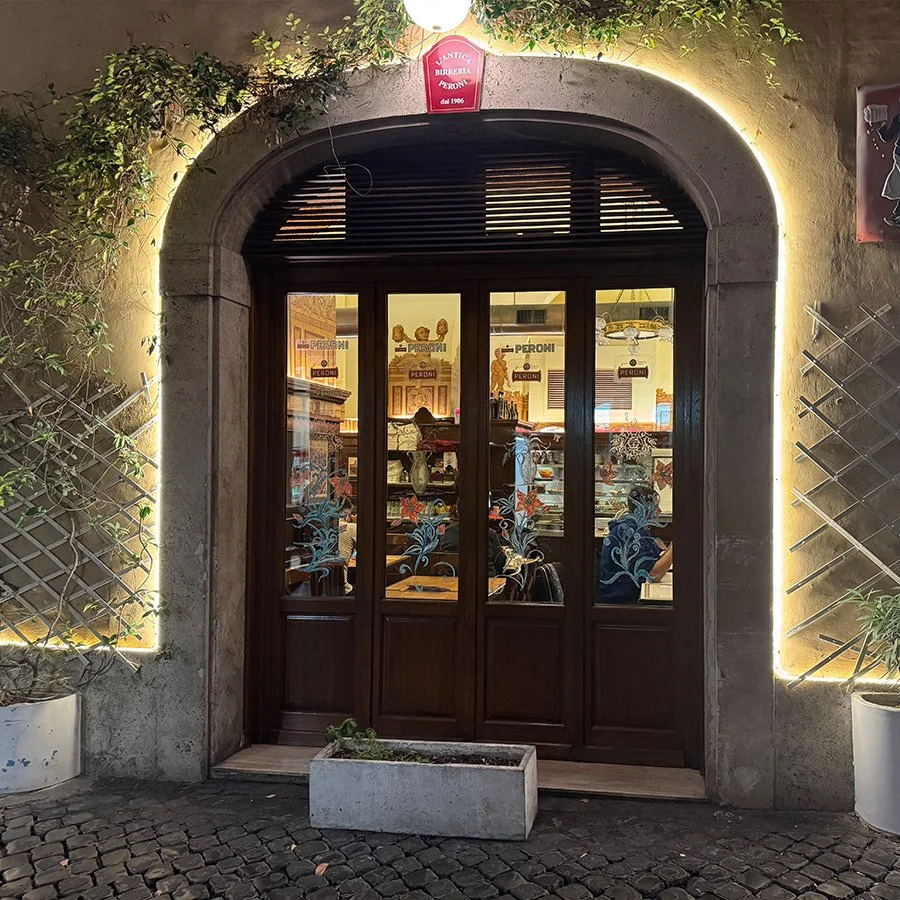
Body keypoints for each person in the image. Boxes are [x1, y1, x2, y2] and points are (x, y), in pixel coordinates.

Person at [596, 485, 673, 604]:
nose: (660, 511)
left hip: (625, 594)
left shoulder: (637, 528)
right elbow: (652, 575)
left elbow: (654, 564)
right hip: (619, 601)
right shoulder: (630, 532)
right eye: (656, 507)